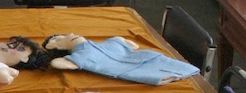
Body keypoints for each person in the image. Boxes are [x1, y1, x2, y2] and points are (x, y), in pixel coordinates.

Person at [42, 33, 200, 86]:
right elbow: (58, 63)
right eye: (59, 39)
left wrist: (121, 42)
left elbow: (129, 44)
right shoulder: (79, 56)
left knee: (162, 62)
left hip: (143, 58)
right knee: (159, 73)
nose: (69, 34)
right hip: (127, 69)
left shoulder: (104, 43)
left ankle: (183, 69)